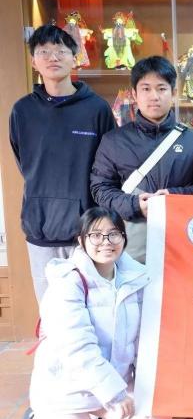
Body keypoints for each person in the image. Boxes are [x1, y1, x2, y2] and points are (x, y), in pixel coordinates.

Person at [26, 207, 172, 419]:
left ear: (123, 238)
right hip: (67, 390)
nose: (106, 242)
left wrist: (147, 387)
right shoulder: (67, 283)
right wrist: (115, 394)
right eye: (96, 235)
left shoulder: (137, 279)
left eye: (113, 234)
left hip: (114, 383)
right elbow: (76, 348)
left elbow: (144, 342)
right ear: (81, 240)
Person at [9, 24, 115, 302]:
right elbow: (25, 163)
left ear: (74, 57)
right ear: (34, 62)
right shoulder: (22, 110)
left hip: (88, 232)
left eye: (60, 51)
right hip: (40, 228)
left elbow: (109, 168)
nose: (52, 57)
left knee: (94, 309)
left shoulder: (97, 109)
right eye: (43, 52)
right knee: (52, 310)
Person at [90, 56, 193, 263]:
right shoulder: (114, 141)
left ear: (174, 93)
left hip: (183, 241)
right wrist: (135, 205)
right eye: (146, 89)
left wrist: (173, 196)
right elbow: (100, 188)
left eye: (161, 88)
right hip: (131, 243)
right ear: (134, 94)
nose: (154, 96)